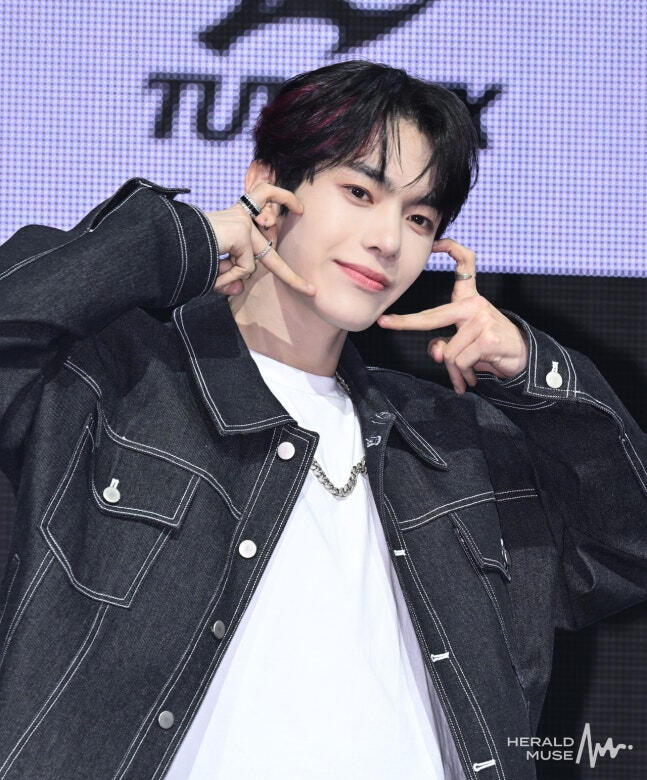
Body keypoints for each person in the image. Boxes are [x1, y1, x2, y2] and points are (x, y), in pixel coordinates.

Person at [0, 59, 644, 780]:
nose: (387, 239)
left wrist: (531, 367)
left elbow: (626, 546)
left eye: (419, 218)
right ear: (267, 184)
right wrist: (182, 242)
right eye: (360, 192)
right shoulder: (115, 382)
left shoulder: (451, 442)